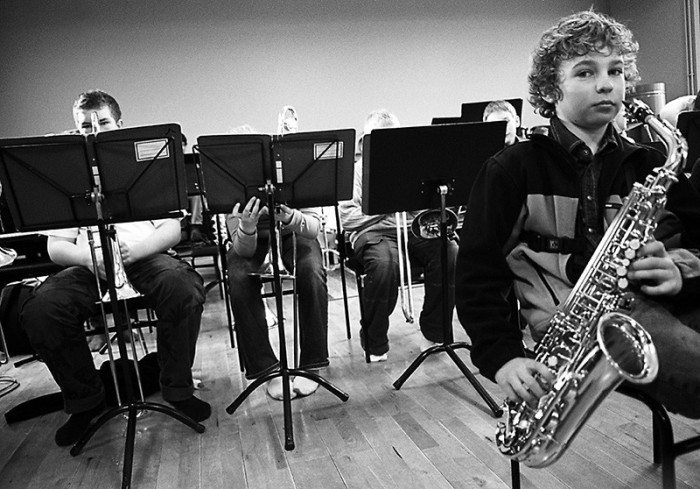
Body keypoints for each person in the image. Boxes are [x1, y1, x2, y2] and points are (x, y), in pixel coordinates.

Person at [456, 10, 700, 419]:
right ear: (551, 89)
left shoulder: (650, 163)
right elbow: (477, 274)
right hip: (575, 333)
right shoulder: (511, 170)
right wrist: (503, 357)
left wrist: (681, 272)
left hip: (662, 307)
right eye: (586, 72)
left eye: (616, 70)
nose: (607, 84)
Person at [20, 90, 210, 447]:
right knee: (42, 309)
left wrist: (133, 252)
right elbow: (54, 245)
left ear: (119, 125)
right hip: (87, 263)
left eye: (103, 123)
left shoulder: (143, 166)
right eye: (84, 127)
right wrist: (88, 259)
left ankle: (177, 388)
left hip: (143, 254)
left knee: (183, 288)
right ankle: (84, 402)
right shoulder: (64, 175)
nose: (93, 132)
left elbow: (171, 228)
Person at [339, 109, 459, 361]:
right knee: (384, 264)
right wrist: (385, 206)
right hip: (372, 234)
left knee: (449, 252)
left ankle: (435, 330)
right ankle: (375, 341)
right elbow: (348, 219)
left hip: (411, 230)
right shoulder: (356, 172)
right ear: (366, 142)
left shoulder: (411, 167)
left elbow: (422, 211)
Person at [226, 110, 329, 400]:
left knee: (311, 270)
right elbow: (242, 250)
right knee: (238, 276)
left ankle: (312, 365)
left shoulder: (295, 172)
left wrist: (292, 216)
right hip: (251, 236)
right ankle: (266, 369)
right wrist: (246, 228)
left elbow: (314, 228)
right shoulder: (228, 185)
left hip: (292, 230)